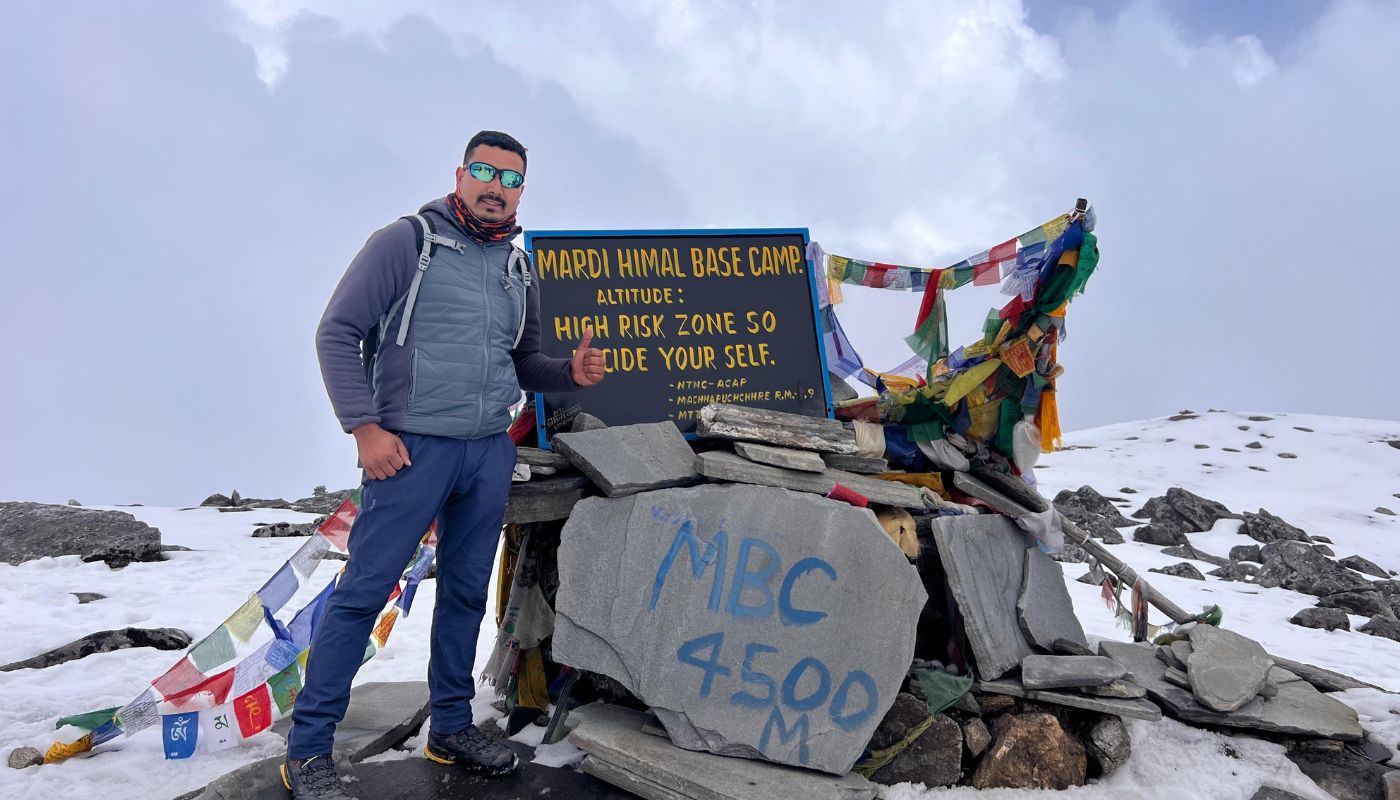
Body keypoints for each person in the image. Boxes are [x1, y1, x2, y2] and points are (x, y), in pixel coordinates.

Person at [283, 130, 605, 799]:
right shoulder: (406, 243)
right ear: (460, 176)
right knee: (362, 596)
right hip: (409, 451)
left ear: (522, 189)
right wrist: (365, 428)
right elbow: (337, 332)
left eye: (510, 178)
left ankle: (450, 728)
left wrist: (568, 373)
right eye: (484, 172)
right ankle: (308, 748)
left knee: (463, 594)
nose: (496, 187)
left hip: (487, 453)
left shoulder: (518, 268)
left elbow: (523, 363)